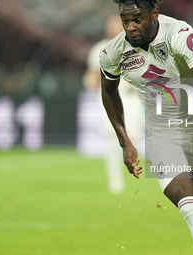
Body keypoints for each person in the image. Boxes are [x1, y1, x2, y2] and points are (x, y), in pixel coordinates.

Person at [99, 0, 193, 254]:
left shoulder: (179, 34)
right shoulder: (112, 52)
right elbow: (108, 91)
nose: (131, 27)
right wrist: (125, 142)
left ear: (154, 13)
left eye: (138, 19)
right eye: (125, 20)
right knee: (192, 210)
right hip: (162, 134)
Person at [78, 15, 143, 193]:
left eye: (117, 25)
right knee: (113, 137)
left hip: (132, 100)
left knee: (134, 138)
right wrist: (90, 81)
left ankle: (136, 174)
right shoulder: (99, 49)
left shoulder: (136, 47)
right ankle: (115, 180)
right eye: (111, 25)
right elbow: (92, 73)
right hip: (109, 98)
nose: (113, 28)